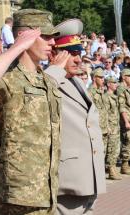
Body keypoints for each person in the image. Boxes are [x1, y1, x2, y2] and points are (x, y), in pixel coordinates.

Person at [0, 9, 62, 214]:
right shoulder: (7, 77)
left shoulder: (46, 80)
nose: (52, 43)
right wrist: (17, 47)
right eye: (45, 37)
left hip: (46, 190)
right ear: (25, 36)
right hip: (18, 196)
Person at [46, 19, 106, 214]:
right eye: (71, 54)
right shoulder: (48, 80)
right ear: (55, 54)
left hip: (88, 177)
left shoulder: (76, 82)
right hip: (68, 180)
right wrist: (54, 69)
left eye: (79, 53)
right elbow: (38, 98)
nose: (78, 59)